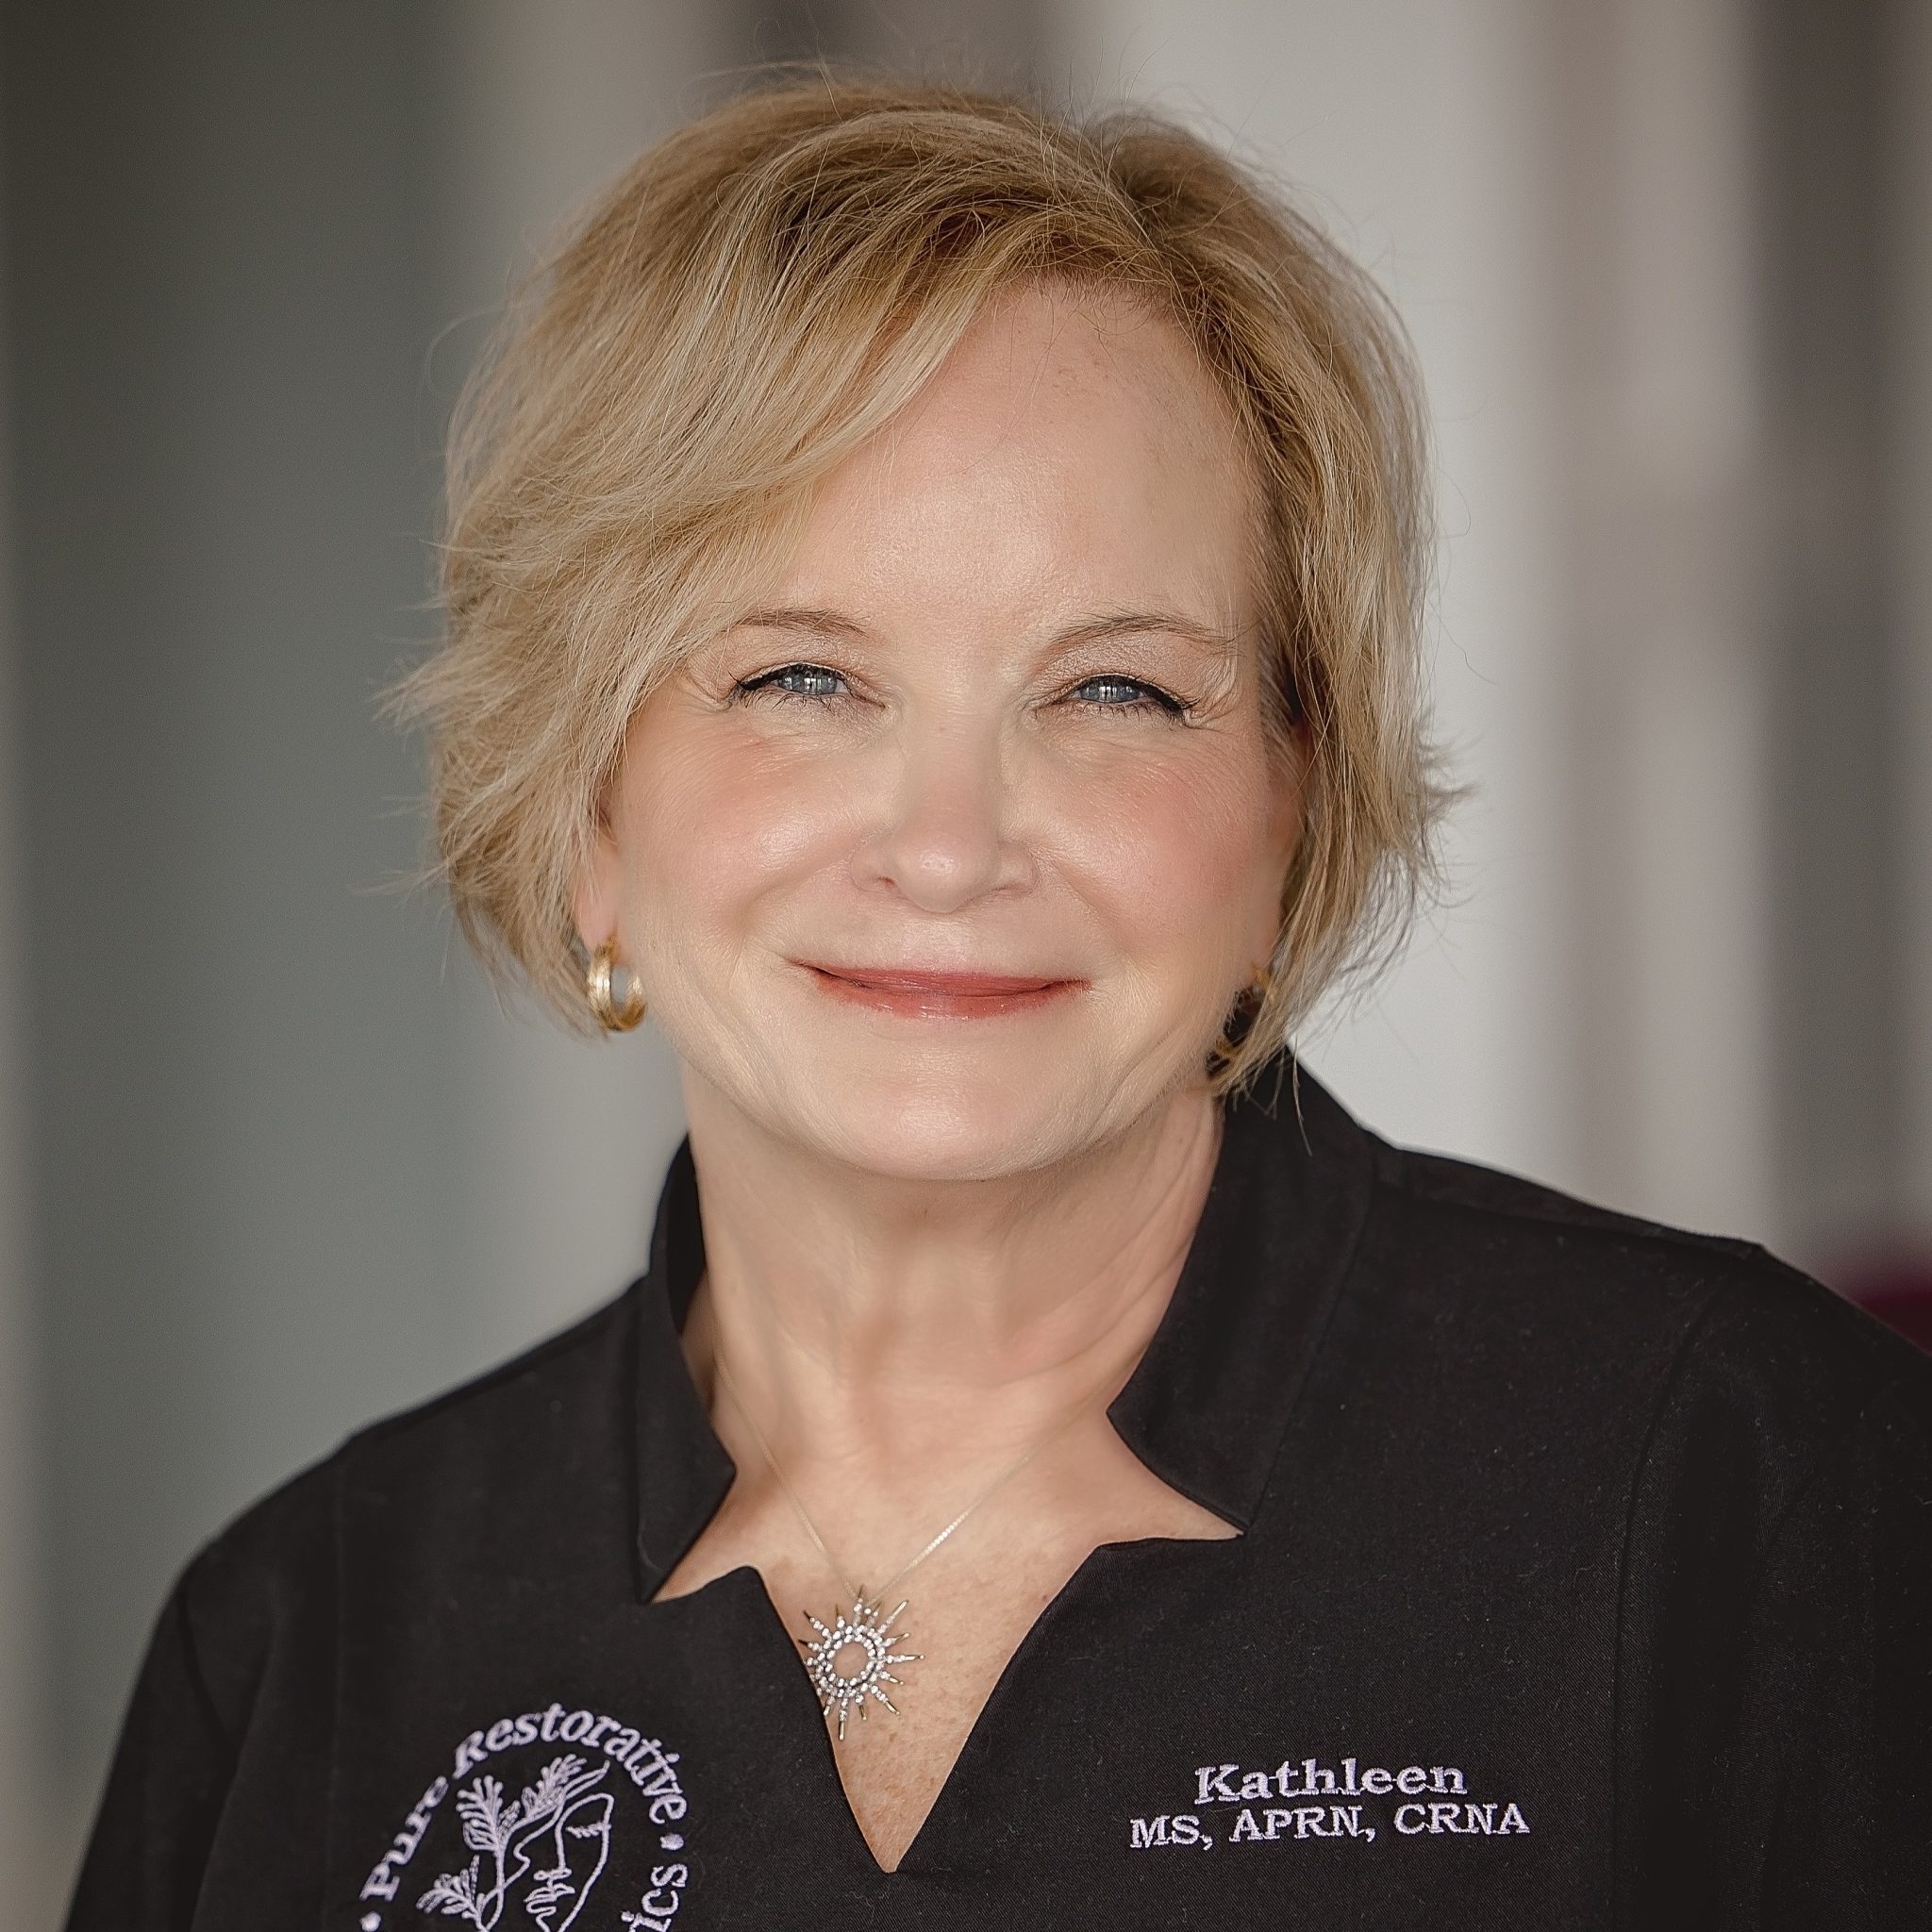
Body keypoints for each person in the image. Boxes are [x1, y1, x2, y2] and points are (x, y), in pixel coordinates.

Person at [65, 75, 1932, 1932]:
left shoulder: (1744, 1479)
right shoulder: (304, 1640)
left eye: (1114, 691)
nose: (949, 846)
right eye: (803, 674)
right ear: (588, 813)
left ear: (1293, 797)